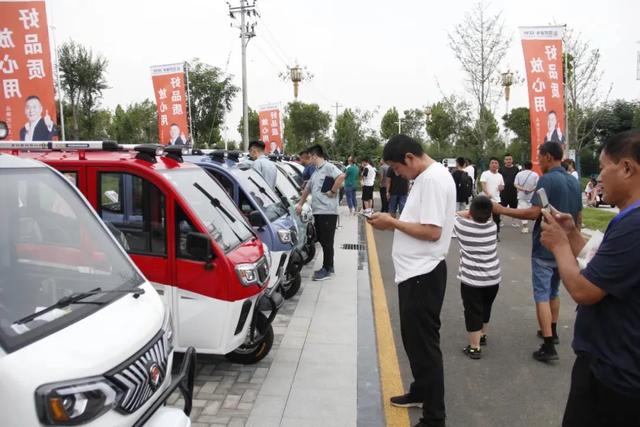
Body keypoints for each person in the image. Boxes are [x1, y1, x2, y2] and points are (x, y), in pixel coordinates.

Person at [540, 130, 640, 426]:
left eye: (602, 167)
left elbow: (586, 290)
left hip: (615, 374)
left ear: (626, 168)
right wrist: (571, 234)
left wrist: (559, 245)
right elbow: (607, 268)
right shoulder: (629, 218)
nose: (597, 179)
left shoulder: (634, 224)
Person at [368, 134, 455, 427]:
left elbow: (432, 231)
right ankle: (421, 392)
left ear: (409, 158)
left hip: (423, 274)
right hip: (417, 273)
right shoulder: (430, 176)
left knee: (424, 347)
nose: (397, 174)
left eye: (396, 167)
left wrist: (391, 222)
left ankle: (435, 418)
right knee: (413, 340)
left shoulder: (431, 179)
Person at [493, 141, 582, 362]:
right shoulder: (573, 182)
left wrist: (501, 209)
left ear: (549, 157)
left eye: (540, 157)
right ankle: (551, 329)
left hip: (546, 245)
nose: (538, 162)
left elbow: (534, 213)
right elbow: (578, 217)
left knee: (541, 294)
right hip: (565, 247)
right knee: (554, 291)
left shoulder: (547, 180)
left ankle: (548, 345)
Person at [454, 195, 501, 360]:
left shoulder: (463, 227)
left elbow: (452, 215)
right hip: (493, 278)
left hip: (472, 280)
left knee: (473, 310)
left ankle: (474, 348)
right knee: (486, 307)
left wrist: (467, 213)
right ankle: (482, 335)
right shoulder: (492, 227)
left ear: (471, 211)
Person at [296, 145, 345, 281]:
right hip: (319, 211)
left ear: (315, 156)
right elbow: (307, 189)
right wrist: (300, 203)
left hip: (328, 211)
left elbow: (341, 176)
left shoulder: (328, 167)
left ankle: (328, 269)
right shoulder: (316, 172)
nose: (309, 158)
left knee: (327, 241)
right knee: (323, 240)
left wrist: (333, 191)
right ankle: (327, 267)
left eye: (310, 156)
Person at [479, 158, 504, 234]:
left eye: (496, 163)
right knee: (485, 217)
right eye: (492, 163)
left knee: (497, 218)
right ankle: (484, 232)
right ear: (489, 165)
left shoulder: (500, 175)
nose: (494, 164)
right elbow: (483, 185)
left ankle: (496, 234)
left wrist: (501, 188)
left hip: (496, 200)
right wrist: (487, 193)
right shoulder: (485, 174)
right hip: (486, 199)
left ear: (498, 165)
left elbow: (502, 186)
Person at [514, 161, 539, 233]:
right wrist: (531, 190)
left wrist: (523, 189)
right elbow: (537, 185)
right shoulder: (535, 174)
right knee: (534, 210)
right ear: (531, 166)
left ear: (524, 166)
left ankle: (525, 227)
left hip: (522, 195)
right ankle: (535, 227)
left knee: (523, 211)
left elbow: (515, 184)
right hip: (532, 196)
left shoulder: (519, 174)